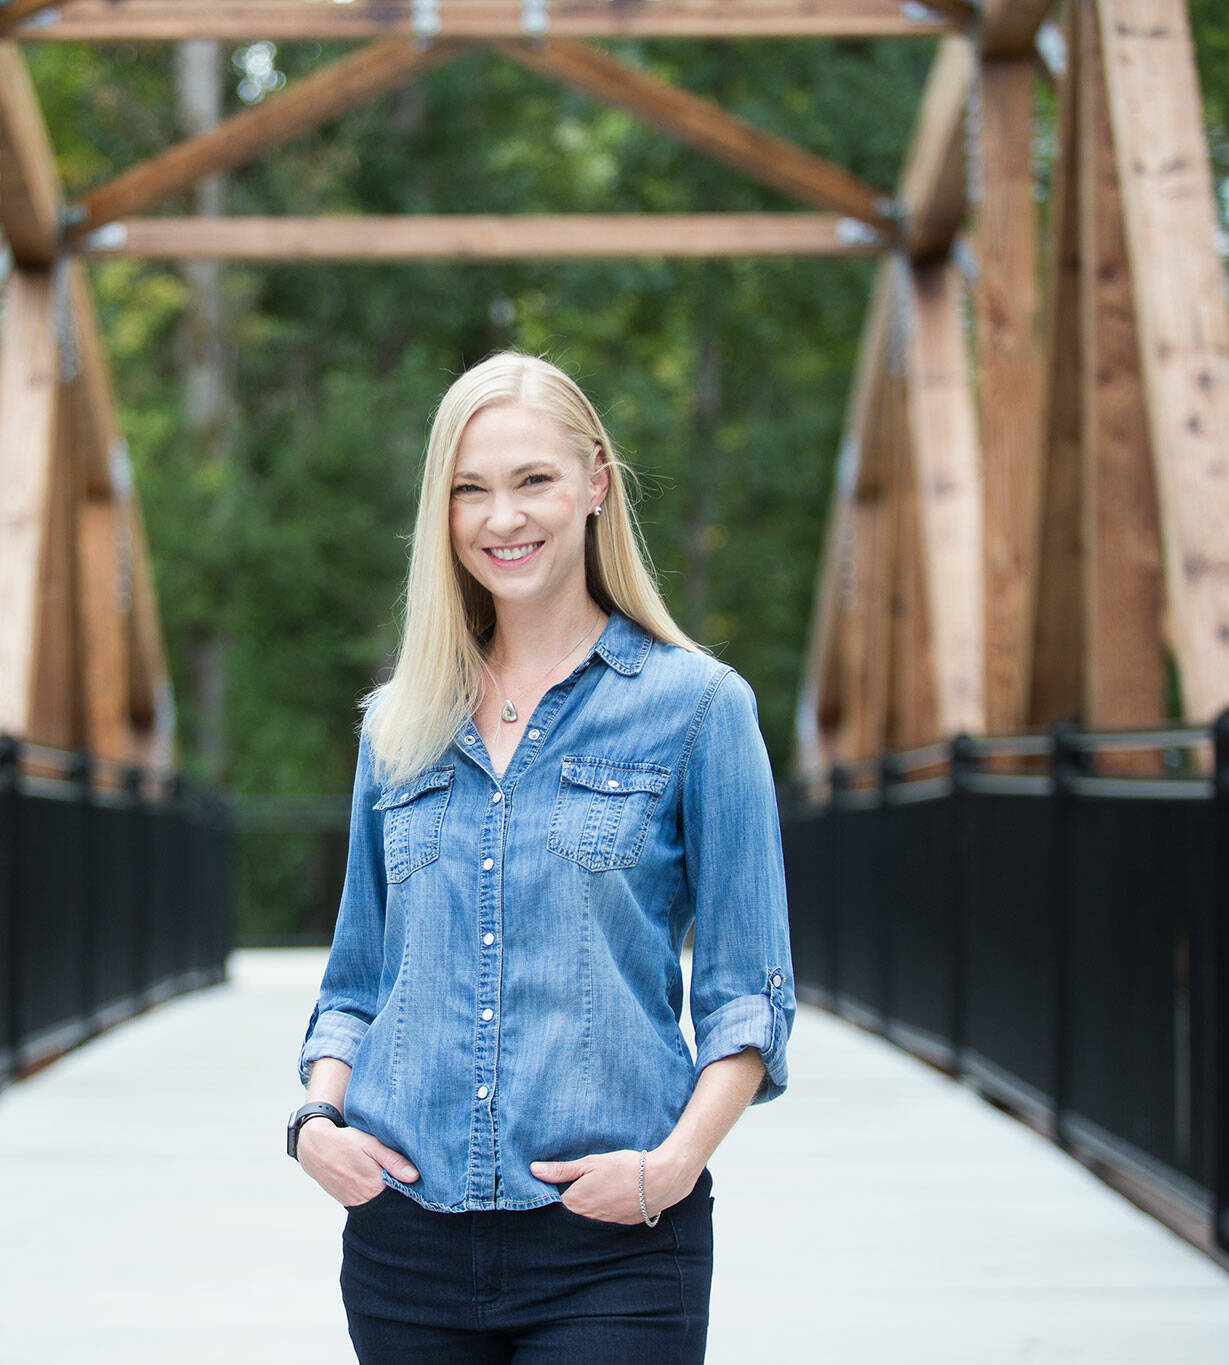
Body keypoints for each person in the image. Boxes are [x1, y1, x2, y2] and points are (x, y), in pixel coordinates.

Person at [285, 351, 795, 1363]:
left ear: (595, 483)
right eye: (468, 489)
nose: (500, 518)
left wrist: (674, 1166)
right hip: (404, 1240)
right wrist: (312, 1123)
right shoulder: (397, 725)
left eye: (532, 481)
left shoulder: (697, 707)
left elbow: (748, 995)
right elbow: (355, 980)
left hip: (613, 1243)